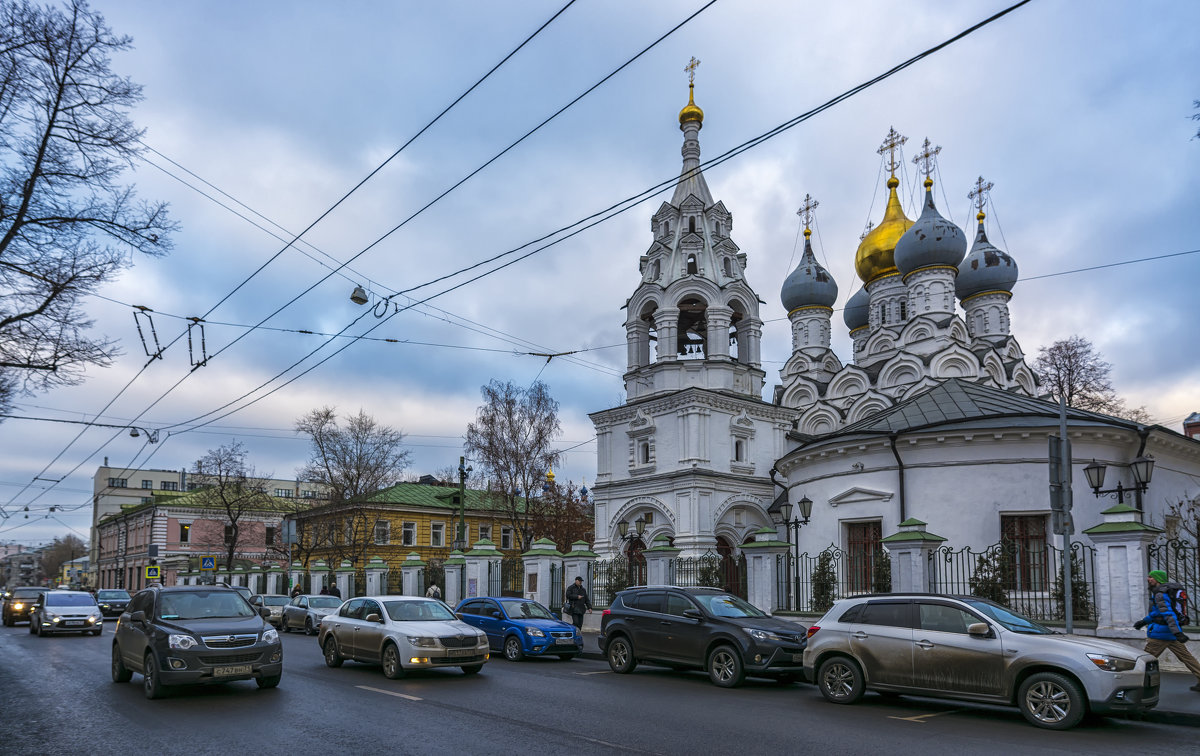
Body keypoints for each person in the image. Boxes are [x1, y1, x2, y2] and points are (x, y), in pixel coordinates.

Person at [1135, 570, 1200, 692]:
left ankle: (1134, 684)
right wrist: (1144, 621)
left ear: (1157, 579)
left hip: (1160, 635)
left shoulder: (1160, 593)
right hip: (1170, 634)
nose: (1148, 579)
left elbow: (1168, 614)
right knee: (1187, 658)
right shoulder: (1164, 593)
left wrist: (1177, 632)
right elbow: (1157, 613)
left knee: (1143, 660)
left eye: (1151, 577)